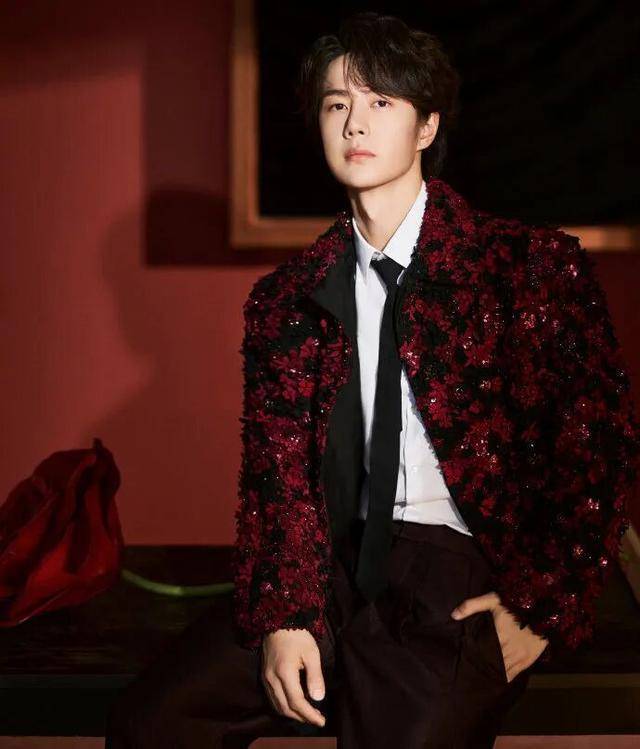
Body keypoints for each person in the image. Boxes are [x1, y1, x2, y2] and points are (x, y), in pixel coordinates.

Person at [105, 11, 640, 749]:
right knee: (153, 721)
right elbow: (277, 479)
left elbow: (598, 450)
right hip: (330, 562)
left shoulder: (528, 268)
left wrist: (541, 607)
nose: (355, 122)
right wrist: (287, 616)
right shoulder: (287, 299)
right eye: (337, 103)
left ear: (427, 126)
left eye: (381, 101)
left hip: (459, 565)